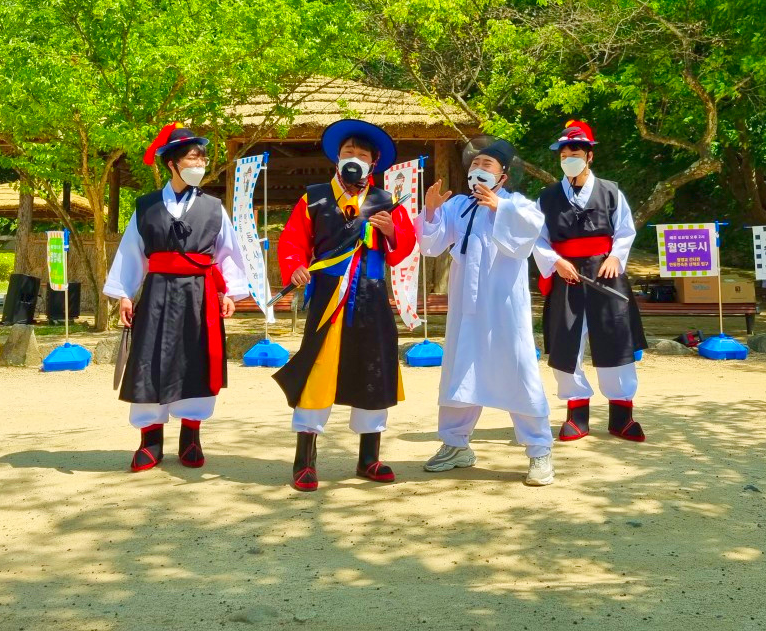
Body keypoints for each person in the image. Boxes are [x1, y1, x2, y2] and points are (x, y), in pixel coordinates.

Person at [273, 119, 417, 491]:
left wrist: (390, 230)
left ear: (374, 162)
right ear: (337, 158)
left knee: (374, 369)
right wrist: (295, 266)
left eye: (362, 154)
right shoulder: (315, 197)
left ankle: (369, 458)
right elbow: (292, 242)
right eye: (348, 152)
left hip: (371, 296)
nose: (354, 157)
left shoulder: (386, 201)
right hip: (328, 297)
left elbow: (402, 249)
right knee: (318, 368)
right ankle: (305, 459)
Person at [103, 125, 251, 472]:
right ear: (172, 163)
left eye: (202, 157)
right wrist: (125, 294)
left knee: (195, 360)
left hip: (199, 295)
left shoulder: (213, 208)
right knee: (149, 360)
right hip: (156, 292)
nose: (199, 163)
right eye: (192, 157)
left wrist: (230, 291)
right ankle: (150, 440)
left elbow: (228, 252)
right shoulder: (147, 206)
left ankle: (191, 437)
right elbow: (131, 252)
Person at [417, 139, 555, 487]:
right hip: (466, 308)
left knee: (519, 371)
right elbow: (431, 245)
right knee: (459, 371)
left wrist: (499, 208)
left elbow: (527, 238)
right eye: (475, 163)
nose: (478, 169)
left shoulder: (518, 205)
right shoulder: (458, 205)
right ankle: (455, 444)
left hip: (504, 307)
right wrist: (431, 212)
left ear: (503, 176)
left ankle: (539, 450)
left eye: (487, 165)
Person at [533, 120, 648, 443]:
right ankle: (576, 414)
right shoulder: (547, 197)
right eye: (563, 155)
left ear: (589, 156)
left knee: (615, 338)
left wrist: (616, 257)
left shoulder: (610, 192)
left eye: (575, 153)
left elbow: (625, 230)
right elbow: (538, 238)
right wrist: (555, 262)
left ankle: (622, 415)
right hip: (566, 275)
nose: (568, 158)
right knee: (566, 340)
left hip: (606, 274)